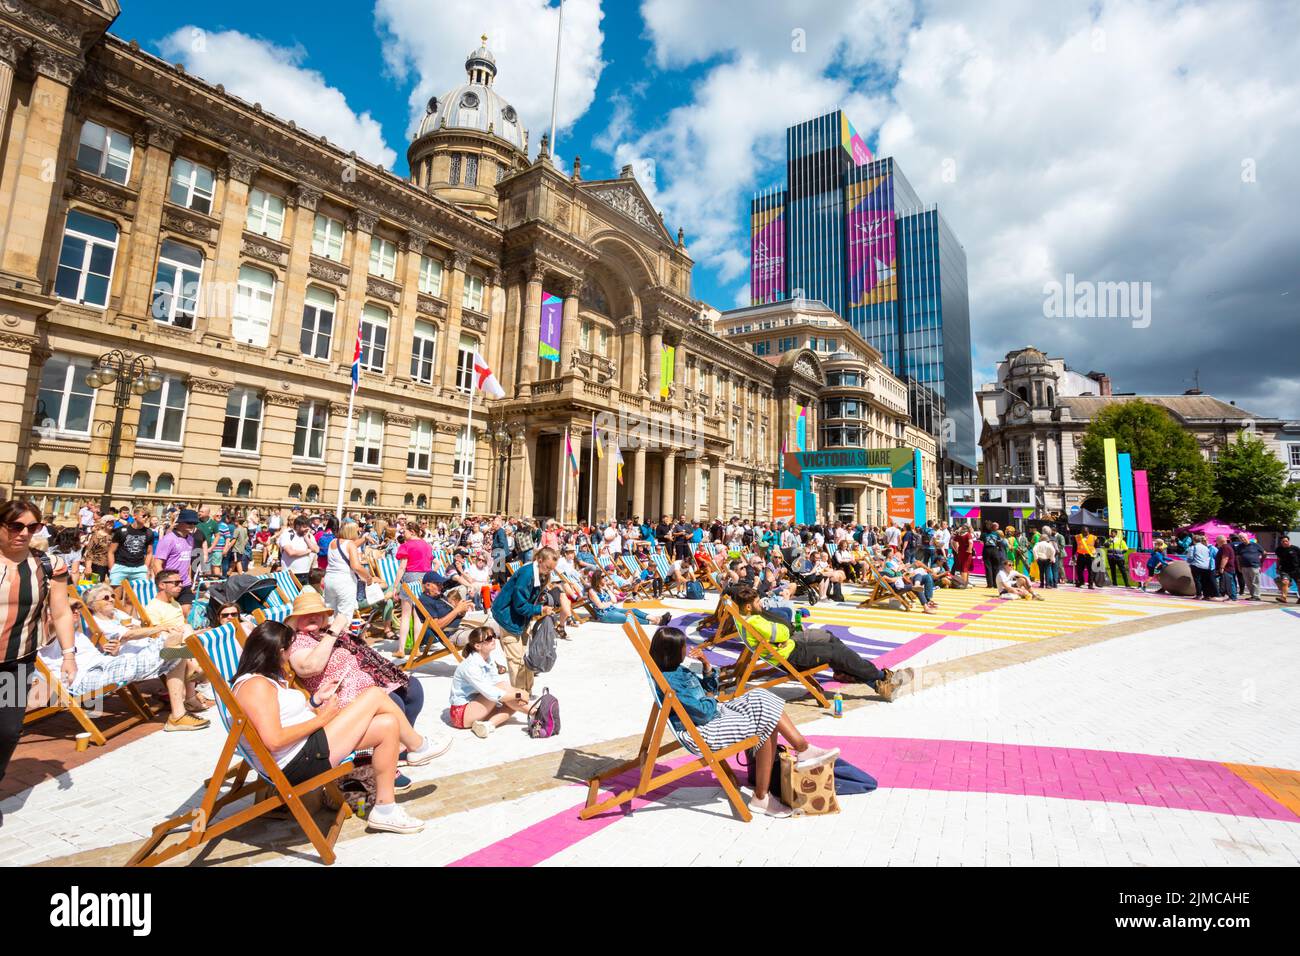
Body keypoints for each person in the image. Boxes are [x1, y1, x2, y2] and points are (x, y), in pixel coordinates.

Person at [233, 621, 435, 834]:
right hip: (299, 762)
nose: (291, 654)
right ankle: (418, 747)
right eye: (290, 648)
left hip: (307, 749)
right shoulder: (255, 686)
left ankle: (385, 809)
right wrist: (321, 720)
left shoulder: (262, 681)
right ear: (280, 652)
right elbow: (274, 741)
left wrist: (315, 702)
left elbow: (281, 719)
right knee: (374, 695)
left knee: (388, 724)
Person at [650, 626, 839, 819]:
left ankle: (803, 749)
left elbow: (710, 692)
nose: (686, 648)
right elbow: (703, 713)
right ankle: (761, 796)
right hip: (701, 731)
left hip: (713, 714)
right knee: (765, 723)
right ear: (672, 652)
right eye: (683, 646)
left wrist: (706, 666)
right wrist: (711, 698)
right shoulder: (670, 681)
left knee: (760, 695)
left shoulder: (677, 669)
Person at [284, 589, 447, 762]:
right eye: (307, 614)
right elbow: (310, 667)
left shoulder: (322, 633)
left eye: (318, 613)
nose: (314, 616)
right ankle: (394, 754)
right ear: (295, 619)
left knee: (412, 688)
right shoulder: (297, 641)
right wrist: (334, 631)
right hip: (340, 695)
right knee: (394, 701)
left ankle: (402, 746)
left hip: (364, 682)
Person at [30, 584, 211, 730]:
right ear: (51, 615)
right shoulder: (44, 635)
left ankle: (178, 714)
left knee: (176, 651)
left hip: (106, 663)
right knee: (171, 650)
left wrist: (114, 650)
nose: (76, 612)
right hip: (84, 679)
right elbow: (52, 624)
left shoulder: (74, 632)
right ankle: (191, 670)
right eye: (70, 610)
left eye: (77, 608)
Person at [0, 500, 79, 792]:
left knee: (7, 733)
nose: (23, 533)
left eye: (32, 527)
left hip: (16, 663)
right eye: (15, 526)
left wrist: (69, 655)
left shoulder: (48, 565)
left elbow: (59, 612)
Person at [732, 586, 912, 701]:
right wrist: (783, 634)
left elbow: (781, 632)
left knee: (838, 651)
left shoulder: (747, 618)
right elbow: (782, 631)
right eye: (756, 602)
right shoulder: (754, 621)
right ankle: (881, 678)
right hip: (790, 657)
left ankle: (879, 682)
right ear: (748, 606)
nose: (760, 604)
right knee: (838, 654)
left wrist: (782, 636)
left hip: (790, 650)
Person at [487, 547, 561, 694]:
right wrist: (540, 610)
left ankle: (527, 691)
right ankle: (519, 695)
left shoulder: (540, 573)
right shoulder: (527, 574)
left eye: (552, 569)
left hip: (521, 619)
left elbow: (530, 599)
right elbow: (519, 604)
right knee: (516, 661)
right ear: (539, 560)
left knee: (526, 658)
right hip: (508, 618)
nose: (548, 572)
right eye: (547, 567)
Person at [448, 626, 533, 738]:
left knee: (511, 703)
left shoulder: (488, 659)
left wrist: (517, 693)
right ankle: (536, 713)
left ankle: (487, 725)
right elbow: (492, 692)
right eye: (488, 638)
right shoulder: (471, 666)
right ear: (477, 646)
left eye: (493, 636)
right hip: (461, 714)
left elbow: (497, 683)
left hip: (475, 706)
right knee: (507, 694)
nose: (493, 639)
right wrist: (518, 694)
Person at [321, 522, 373, 634]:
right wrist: (368, 577)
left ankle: (328, 638)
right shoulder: (350, 544)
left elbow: (347, 547)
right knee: (344, 615)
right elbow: (356, 566)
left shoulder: (333, 542)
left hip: (329, 579)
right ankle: (341, 641)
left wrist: (364, 539)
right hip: (344, 581)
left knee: (330, 613)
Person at [586, 571, 671, 627]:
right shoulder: (592, 591)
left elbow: (614, 600)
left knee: (633, 610)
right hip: (604, 615)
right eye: (603, 577)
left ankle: (655, 618)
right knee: (627, 617)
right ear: (598, 579)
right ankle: (656, 622)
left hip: (613, 609)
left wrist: (607, 589)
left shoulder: (604, 588)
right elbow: (600, 606)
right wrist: (611, 602)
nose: (605, 578)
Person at [416, 571, 476, 647]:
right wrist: (457, 610)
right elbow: (437, 626)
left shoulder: (439, 596)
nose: (442, 587)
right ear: (428, 585)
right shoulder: (425, 601)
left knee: (493, 623)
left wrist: (463, 608)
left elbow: (454, 612)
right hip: (453, 633)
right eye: (438, 584)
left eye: (441, 584)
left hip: (465, 625)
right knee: (487, 633)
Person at [277, 516, 317, 587]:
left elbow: (316, 549)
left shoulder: (309, 536)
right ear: (297, 526)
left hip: (305, 573)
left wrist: (306, 538)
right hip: (290, 574)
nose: (307, 528)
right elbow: (290, 552)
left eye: (308, 526)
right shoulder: (287, 534)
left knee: (303, 597)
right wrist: (308, 551)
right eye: (304, 526)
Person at [1186, 534, 1217, 600]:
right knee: (1204, 581)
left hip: (1196, 565)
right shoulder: (1206, 547)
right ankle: (1206, 595)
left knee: (1197, 580)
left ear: (1193, 540)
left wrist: (1189, 562)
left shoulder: (1192, 547)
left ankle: (1199, 594)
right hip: (1206, 566)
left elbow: (1190, 557)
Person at [1274, 535, 1300, 604]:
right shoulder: (1278, 550)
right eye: (1283, 541)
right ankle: (1284, 597)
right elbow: (1278, 559)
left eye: (1286, 541)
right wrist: (1277, 567)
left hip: (1296, 569)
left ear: (1289, 541)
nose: (1285, 542)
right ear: (1281, 542)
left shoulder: (1295, 549)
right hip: (1285, 570)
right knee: (1285, 582)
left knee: (1299, 584)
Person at [1213, 534, 1238, 602]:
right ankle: (1230, 596)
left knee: (1229, 583)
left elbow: (1225, 558)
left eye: (1217, 541)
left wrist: (1221, 567)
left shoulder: (1225, 547)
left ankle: (1232, 597)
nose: (1216, 542)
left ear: (1220, 541)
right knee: (1229, 582)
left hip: (1227, 568)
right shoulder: (1227, 546)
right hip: (1228, 568)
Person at [981, 524, 1005, 589]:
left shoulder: (983, 534)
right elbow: (999, 542)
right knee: (996, 567)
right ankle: (996, 584)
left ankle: (990, 584)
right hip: (995, 550)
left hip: (987, 550)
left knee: (988, 567)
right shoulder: (996, 534)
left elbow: (981, 542)